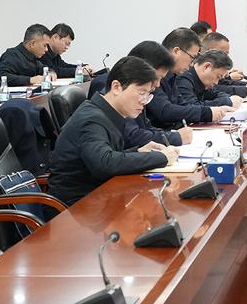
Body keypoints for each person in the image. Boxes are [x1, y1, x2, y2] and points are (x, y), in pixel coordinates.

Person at [47, 56, 179, 206]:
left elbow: (107, 155)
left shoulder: (107, 113)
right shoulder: (91, 119)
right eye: (141, 93)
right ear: (116, 87)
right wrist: (161, 157)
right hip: (75, 208)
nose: (144, 101)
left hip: (99, 198)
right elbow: (104, 163)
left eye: (147, 95)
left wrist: (138, 151)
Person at [147, 28, 232, 128]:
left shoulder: (172, 76)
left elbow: (183, 105)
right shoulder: (154, 72)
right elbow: (165, 111)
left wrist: (212, 110)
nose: (192, 63)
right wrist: (207, 113)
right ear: (176, 51)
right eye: (192, 57)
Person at [123, 40, 193, 148]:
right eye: (157, 78)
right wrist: (175, 137)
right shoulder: (123, 94)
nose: (158, 84)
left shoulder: (140, 93)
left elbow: (146, 127)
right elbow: (133, 136)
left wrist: (172, 135)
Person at [175, 49, 240, 120]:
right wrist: (226, 102)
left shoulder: (202, 81)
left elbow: (218, 94)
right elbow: (192, 107)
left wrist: (226, 100)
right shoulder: (183, 79)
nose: (216, 82)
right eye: (217, 77)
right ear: (207, 67)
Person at [200, 32, 247, 98]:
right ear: (211, 51)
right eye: (224, 53)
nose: (226, 57)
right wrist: (245, 90)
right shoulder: (199, 67)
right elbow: (212, 90)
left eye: (227, 54)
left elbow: (222, 82)